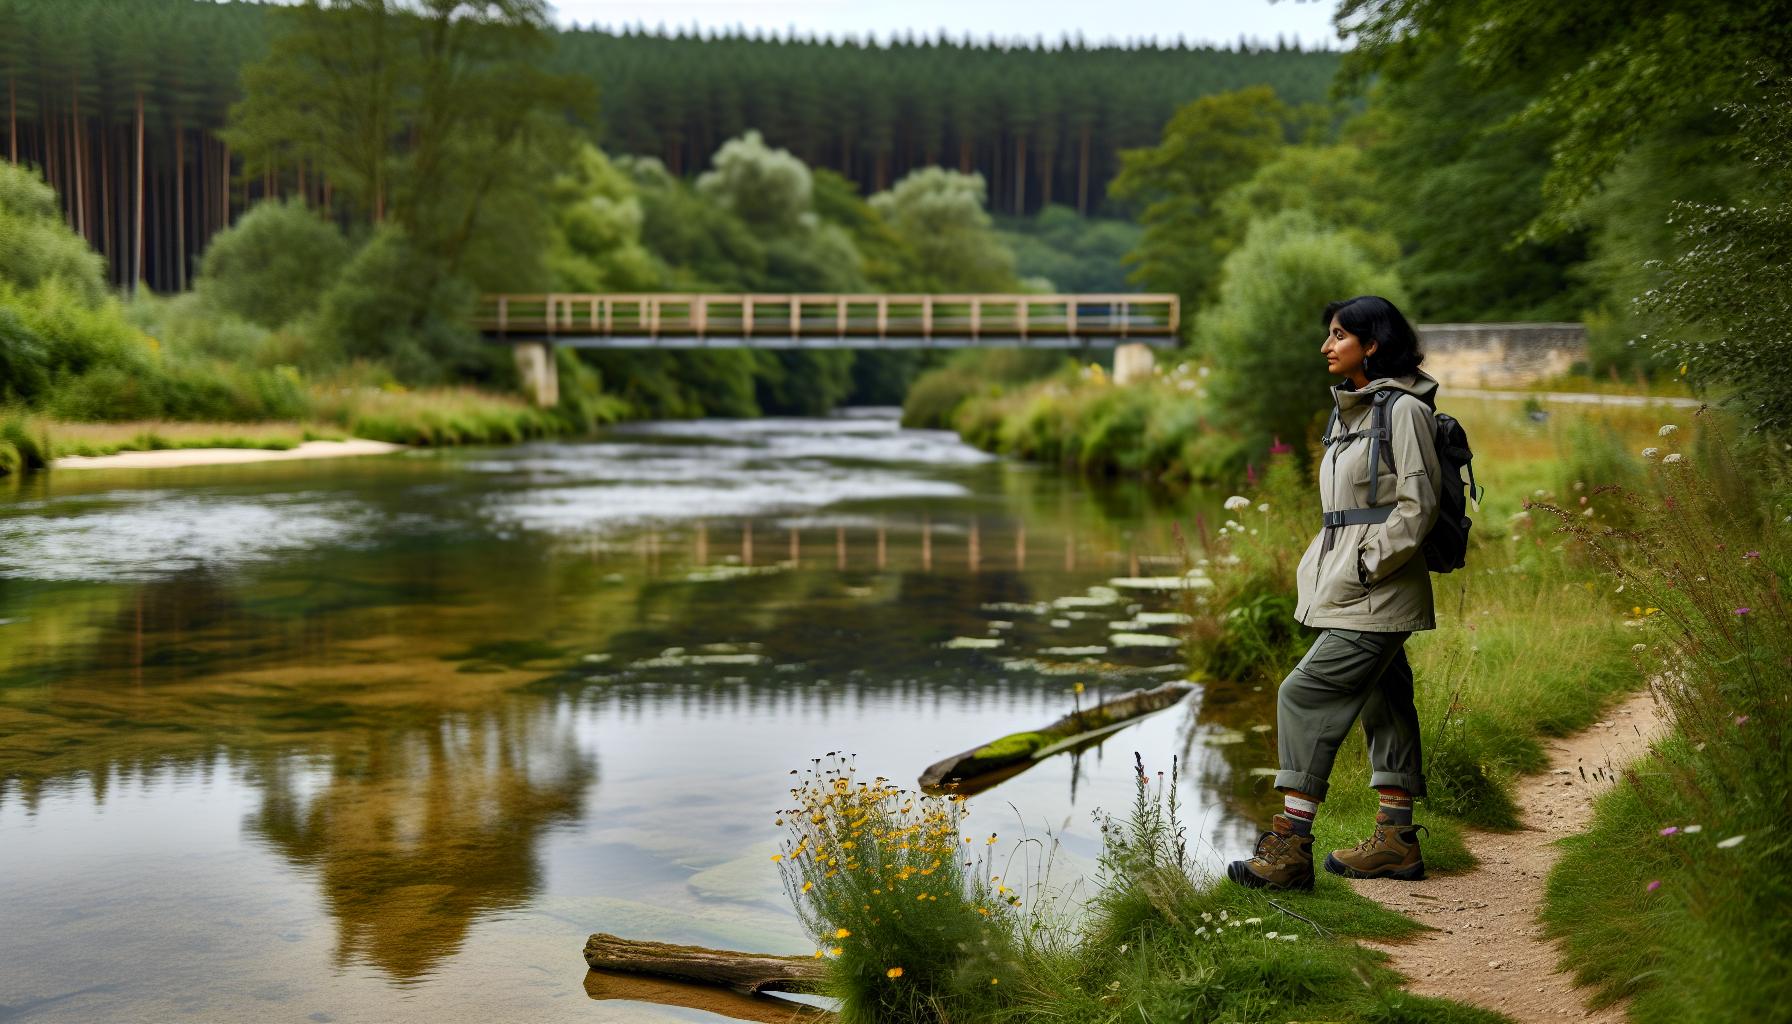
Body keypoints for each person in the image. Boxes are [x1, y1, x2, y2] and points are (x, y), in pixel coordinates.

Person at [1226, 295, 1444, 892]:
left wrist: (1369, 566)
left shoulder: (1404, 411)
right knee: (1386, 704)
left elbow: (1417, 505)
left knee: (1303, 693)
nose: (1327, 346)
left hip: (1376, 591)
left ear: (1371, 345)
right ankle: (1396, 841)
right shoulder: (1352, 412)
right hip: (1354, 585)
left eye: (1339, 335)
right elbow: (1344, 512)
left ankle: (1291, 848)